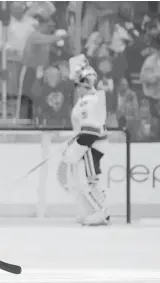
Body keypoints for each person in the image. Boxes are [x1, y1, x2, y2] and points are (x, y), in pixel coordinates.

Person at [60, 54, 109, 226]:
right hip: (92, 145)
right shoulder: (92, 99)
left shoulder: (87, 102)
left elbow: (90, 132)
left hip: (91, 146)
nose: (76, 88)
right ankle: (91, 212)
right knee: (88, 180)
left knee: (89, 182)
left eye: (77, 85)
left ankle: (101, 212)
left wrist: (74, 150)